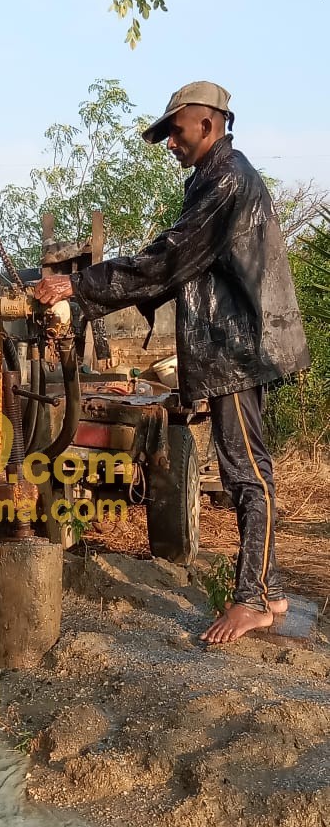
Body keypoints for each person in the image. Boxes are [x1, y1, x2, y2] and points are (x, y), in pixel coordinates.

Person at [34, 81, 310, 645]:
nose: (169, 144)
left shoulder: (228, 179)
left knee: (246, 474)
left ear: (207, 125)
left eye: (175, 131)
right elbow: (182, 266)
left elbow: (170, 257)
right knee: (250, 469)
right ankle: (272, 585)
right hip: (239, 346)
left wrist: (80, 284)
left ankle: (251, 600)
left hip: (238, 349)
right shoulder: (214, 178)